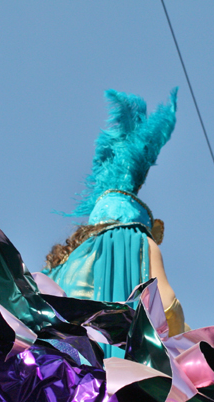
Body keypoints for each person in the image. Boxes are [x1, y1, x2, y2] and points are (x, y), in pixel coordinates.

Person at [43, 89, 187, 357]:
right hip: (119, 373)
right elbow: (167, 307)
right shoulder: (140, 240)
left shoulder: (59, 263)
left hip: (59, 372)